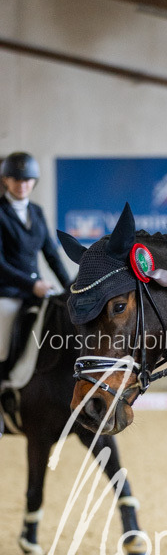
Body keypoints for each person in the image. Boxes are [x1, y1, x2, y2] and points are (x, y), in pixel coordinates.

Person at [0, 151, 71, 392]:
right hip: (7, 293)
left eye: (27, 180)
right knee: (3, 345)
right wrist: (32, 284)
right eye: (16, 179)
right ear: (6, 180)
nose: (22, 184)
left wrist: (71, 287)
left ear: (34, 182)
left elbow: (51, 254)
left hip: (36, 292)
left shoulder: (37, 212)